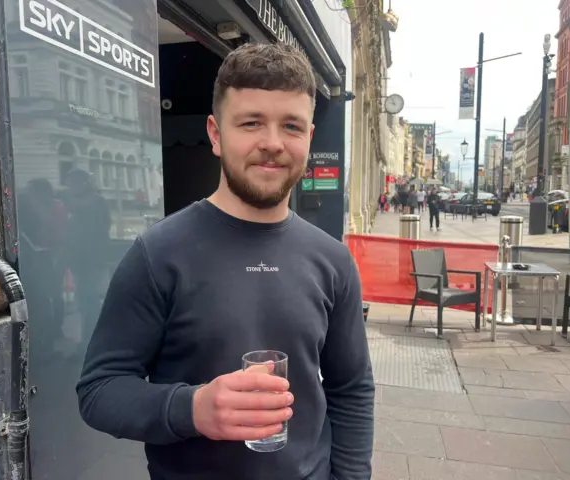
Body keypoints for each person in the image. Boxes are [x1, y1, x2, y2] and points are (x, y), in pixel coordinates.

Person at [76, 43, 374, 480]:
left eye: (291, 126)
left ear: (309, 138)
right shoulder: (159, 253)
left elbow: (351, 390)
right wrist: (192, 409)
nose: (272, 143)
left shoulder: (333, 260)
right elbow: (98, 391)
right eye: (251, 123)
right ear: (216, 134)